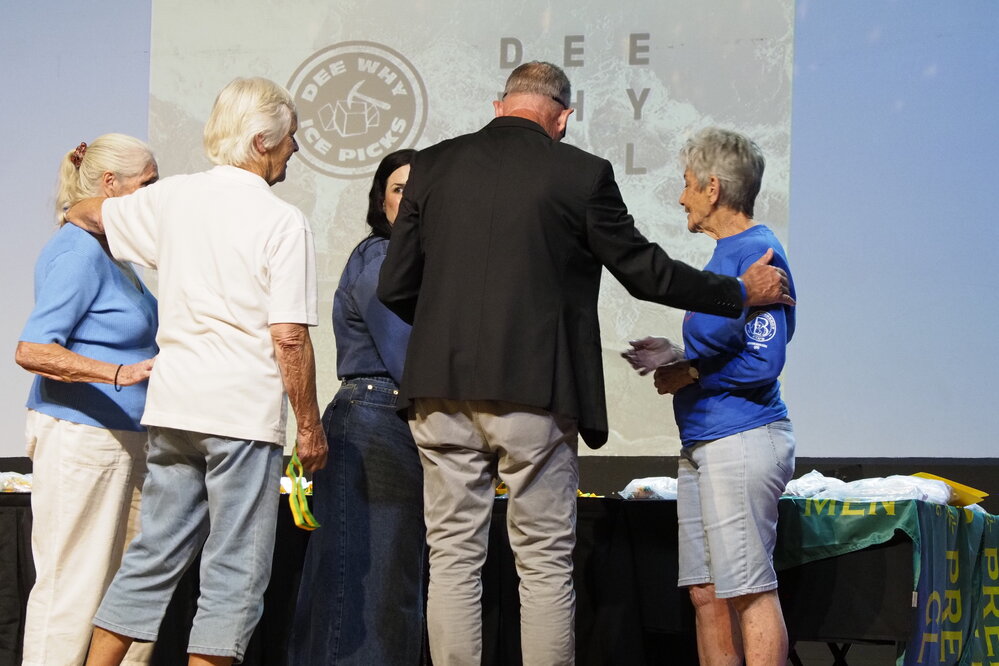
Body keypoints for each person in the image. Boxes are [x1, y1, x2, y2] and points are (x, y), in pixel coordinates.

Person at [377, 61, 794, 665]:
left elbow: (395, 286)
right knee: (543, 562)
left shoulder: (433, 165)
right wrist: (737, 293)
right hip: (535, 392)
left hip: (439, 390)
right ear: (564, 117)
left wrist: (451, 332)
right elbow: (644, 271)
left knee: (452, 560)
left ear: (501, 104)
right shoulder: (580, 173)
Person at [64, 76, 328, 666]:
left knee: (151, 556)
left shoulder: (173, 197)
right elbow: (289, 336)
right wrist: (310, 427)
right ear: (261, 141)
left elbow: (86, 213)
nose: (295, 148)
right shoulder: (282, 221)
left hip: (174, 407)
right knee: (235, 570)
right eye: (290, 137)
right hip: (240, 416)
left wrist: (75, 201)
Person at [623, 127, 796, 666]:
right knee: (707, 592)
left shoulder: (758, 254)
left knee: (747, 589)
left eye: (687, 183)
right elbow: (726, 343)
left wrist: (692, 371)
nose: (681, 197)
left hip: (742, 436)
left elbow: (763, 359)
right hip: (703, 442)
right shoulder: (725, 257)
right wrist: (677, 354)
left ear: (713, 187)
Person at [15, 134, 159, 666]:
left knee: (127, 595)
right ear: (110, 184)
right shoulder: (77, 251)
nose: (154, 195)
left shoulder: (113, 254)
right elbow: (33, 349)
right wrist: (118, 373)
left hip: (126, 438)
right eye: (148, 183)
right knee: (71, 588)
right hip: (82, 437)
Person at [289, 149, 425, 664]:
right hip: (375, 420)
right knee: (365, 595)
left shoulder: (419, 263)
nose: (408, 199)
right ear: (380, 201)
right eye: (397, 188)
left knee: (387, 589)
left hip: (393, 421)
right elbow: (408, 356)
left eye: (418, 189)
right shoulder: (381, 257)